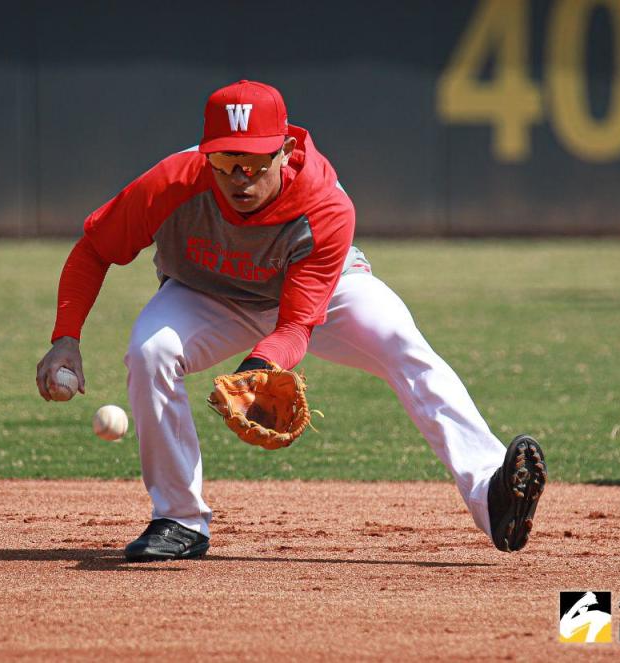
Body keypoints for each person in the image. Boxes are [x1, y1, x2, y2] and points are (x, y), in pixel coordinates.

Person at [35, 80, 547, 562]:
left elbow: (297, 325)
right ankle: (178, 519)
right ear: (206, 153)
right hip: (207, 294)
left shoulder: (323, 203)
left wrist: (257, 368)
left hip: (320, 293)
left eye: (256, 161)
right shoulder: (172, 182)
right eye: (226, 160)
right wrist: (65, 338)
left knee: (398, 340)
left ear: (284, 150)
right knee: (151, 351)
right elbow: (93, 250)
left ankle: (490, 493)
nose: (241, 176)